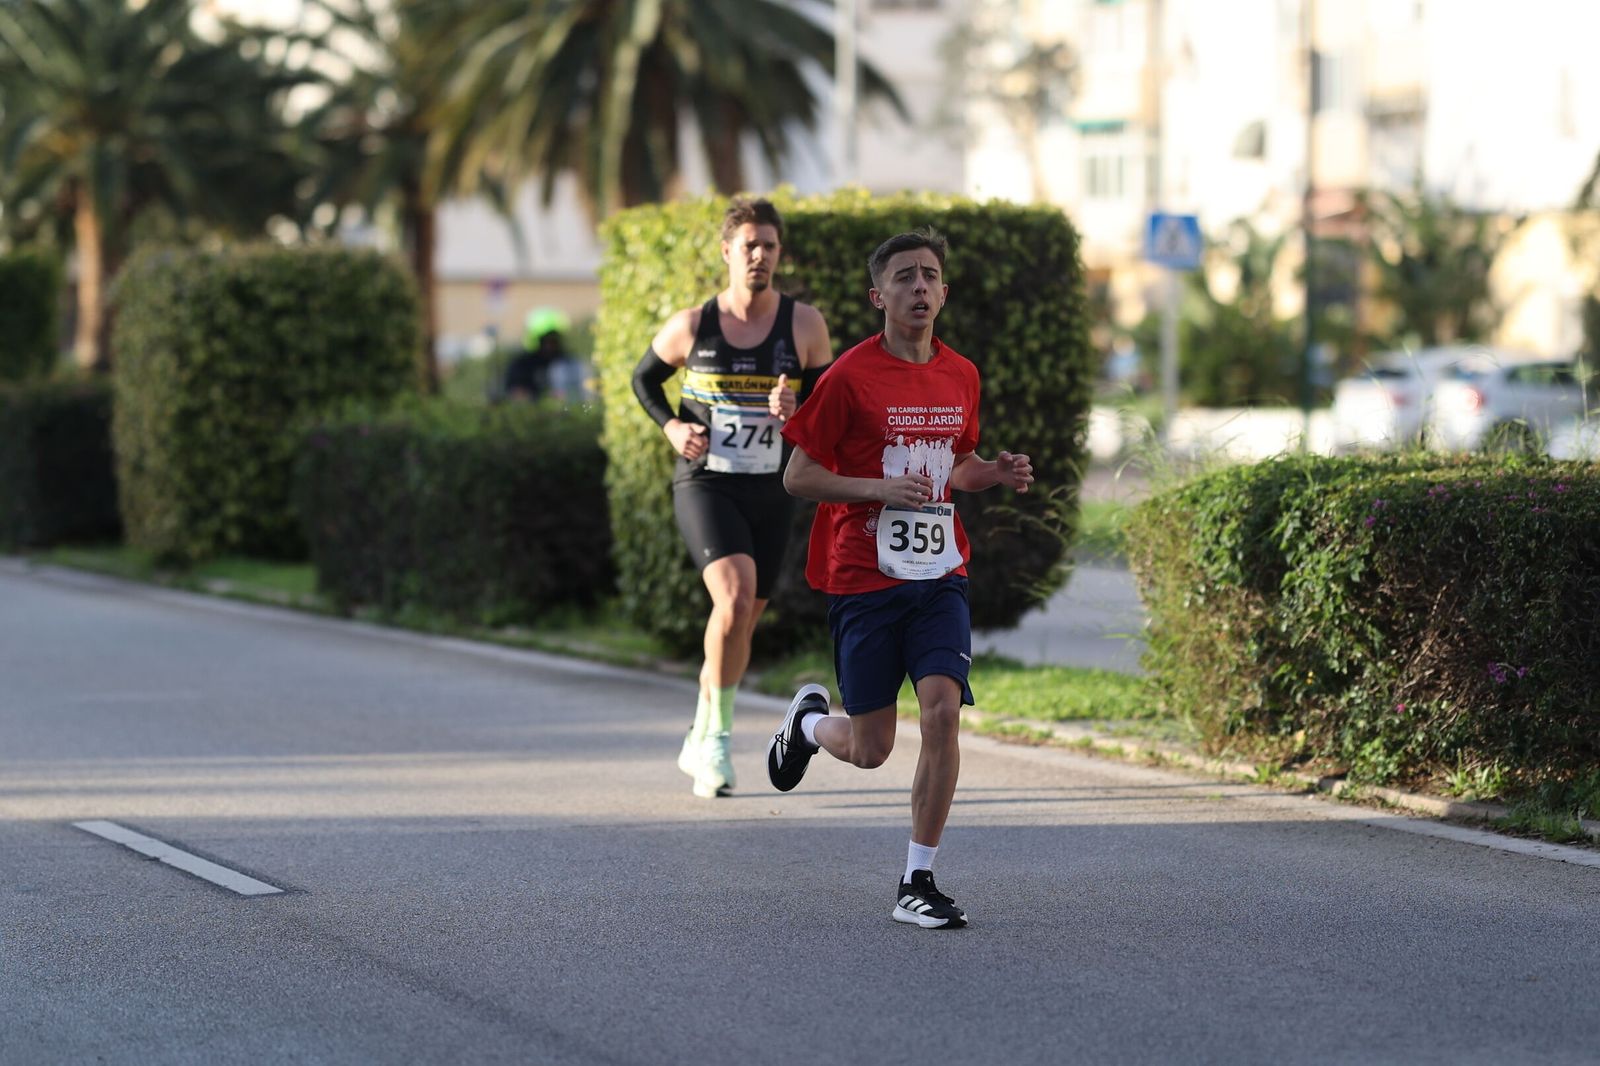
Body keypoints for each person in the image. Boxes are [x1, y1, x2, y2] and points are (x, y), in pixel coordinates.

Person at [767, 226, 1034, 929]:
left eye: (931, 275)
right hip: (864, 576)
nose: (920, 286)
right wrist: (878, 490)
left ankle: (918, 879)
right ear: (877, 294)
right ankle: (811, 724)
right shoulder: (849, 377)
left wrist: (994, 473)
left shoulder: (961, 374)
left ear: (944, 292)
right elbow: (798, 477)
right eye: (906, 276)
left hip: (940, 572)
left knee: (943, 709)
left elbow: (958, 463)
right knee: (871, 747)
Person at [630, 197, 833, 798]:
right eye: (749, 245)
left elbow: (824, 415)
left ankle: (700, 727)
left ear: (779, 253)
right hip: (707, 481)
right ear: (727, 252)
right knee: (735, 594)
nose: (759, 256)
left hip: (772, 488)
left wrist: (796, 412)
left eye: (769, 245)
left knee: (741, 621)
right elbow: (643, 379)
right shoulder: (693, 324)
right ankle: (717, 742)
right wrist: (671, 426)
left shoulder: (804, 326)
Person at [503, 308, 571, 402]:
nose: (550, 346)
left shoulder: (569, 363)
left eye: (553, 341)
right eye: (546, 341)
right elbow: (515, 393)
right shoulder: (522, 366)